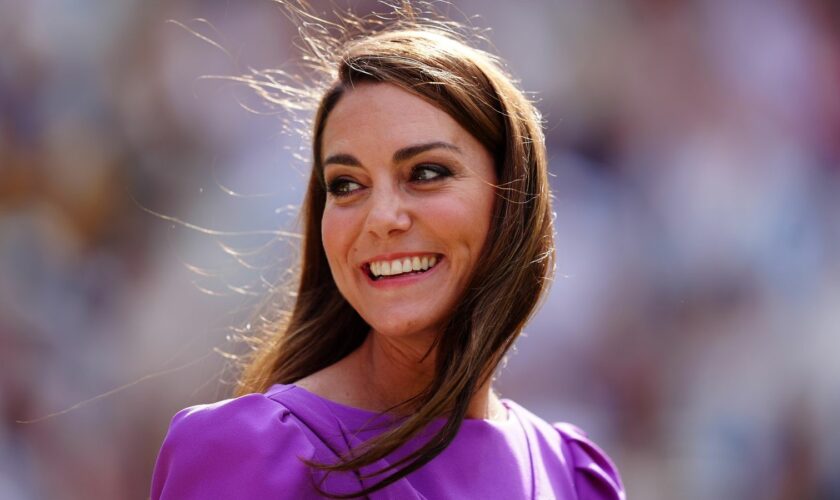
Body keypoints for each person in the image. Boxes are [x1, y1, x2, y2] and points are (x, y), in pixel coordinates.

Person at [151, 5, 625, 499]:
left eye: (425, 173)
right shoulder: (248, 453)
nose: (381, 218)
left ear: (512, 196)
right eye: (347, 184)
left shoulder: (574, 477)